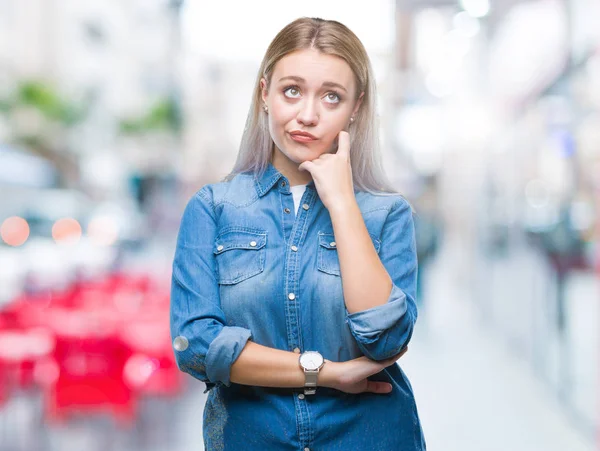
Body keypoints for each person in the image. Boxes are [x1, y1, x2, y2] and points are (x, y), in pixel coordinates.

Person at [170, 17, 426, 450]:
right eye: (292, 90)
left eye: (331, 96)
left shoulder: (387, 214)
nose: (308, 114)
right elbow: (196, 345)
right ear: (264, 94)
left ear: (356, 108)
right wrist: (325, 372)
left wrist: (342, 203)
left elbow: (384, 339)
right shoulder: (213, 208)